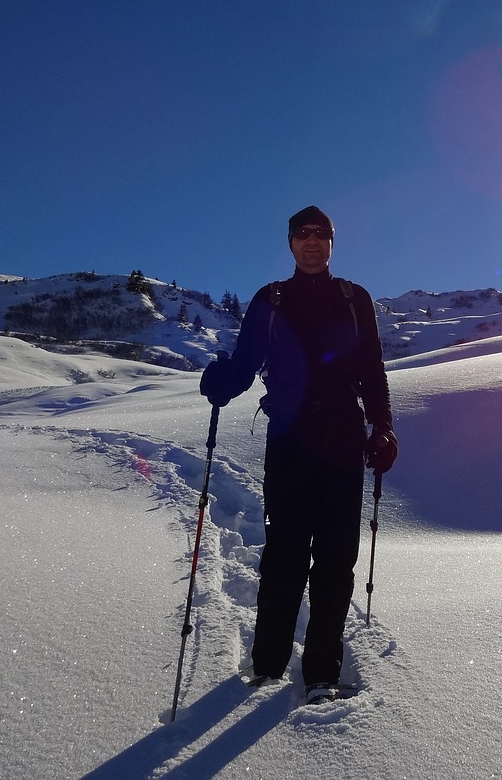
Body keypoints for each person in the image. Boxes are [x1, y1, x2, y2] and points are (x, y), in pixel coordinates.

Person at [200, 205, 397, 694]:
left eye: (321, 235)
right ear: (290, 243)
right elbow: (246, 364)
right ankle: (268, 665)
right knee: (284, 555)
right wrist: (221, 383)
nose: (312, 242)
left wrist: (383, 427)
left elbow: (371, 369)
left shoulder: (354, 299)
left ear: (333, 243)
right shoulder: (272, 299)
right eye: (302, 235)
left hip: (344, 440)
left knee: (336, 558)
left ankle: (323, 673)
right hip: (289, 440)